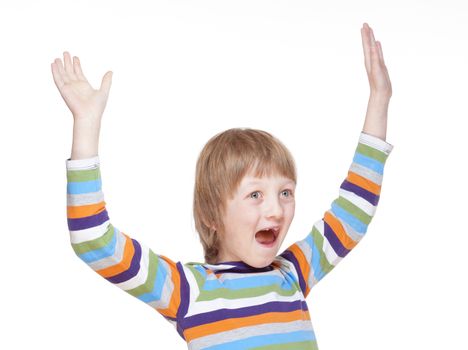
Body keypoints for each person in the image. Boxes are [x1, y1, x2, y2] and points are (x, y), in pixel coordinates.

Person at [53, 22, 394, 349]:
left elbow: (353, 212)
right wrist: (86, 124)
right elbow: (93, 239)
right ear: (211, 216)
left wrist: (379, 99)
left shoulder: (293, 274)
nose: (276, 210)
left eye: (285, 193)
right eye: (255, 195)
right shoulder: (188, 290)